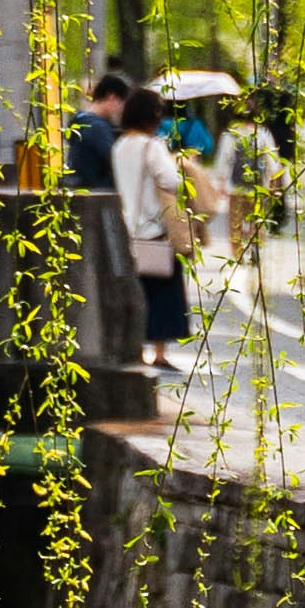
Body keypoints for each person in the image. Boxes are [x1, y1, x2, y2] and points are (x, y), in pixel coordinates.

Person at [103, 75, 188, 400]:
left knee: (136, 290)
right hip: (153, 229)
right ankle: (160, 353)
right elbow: (172, 180)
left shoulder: (120, 144)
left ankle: (136, 348)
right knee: (163, 292)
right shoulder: (152, 146)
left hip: (127, 227)